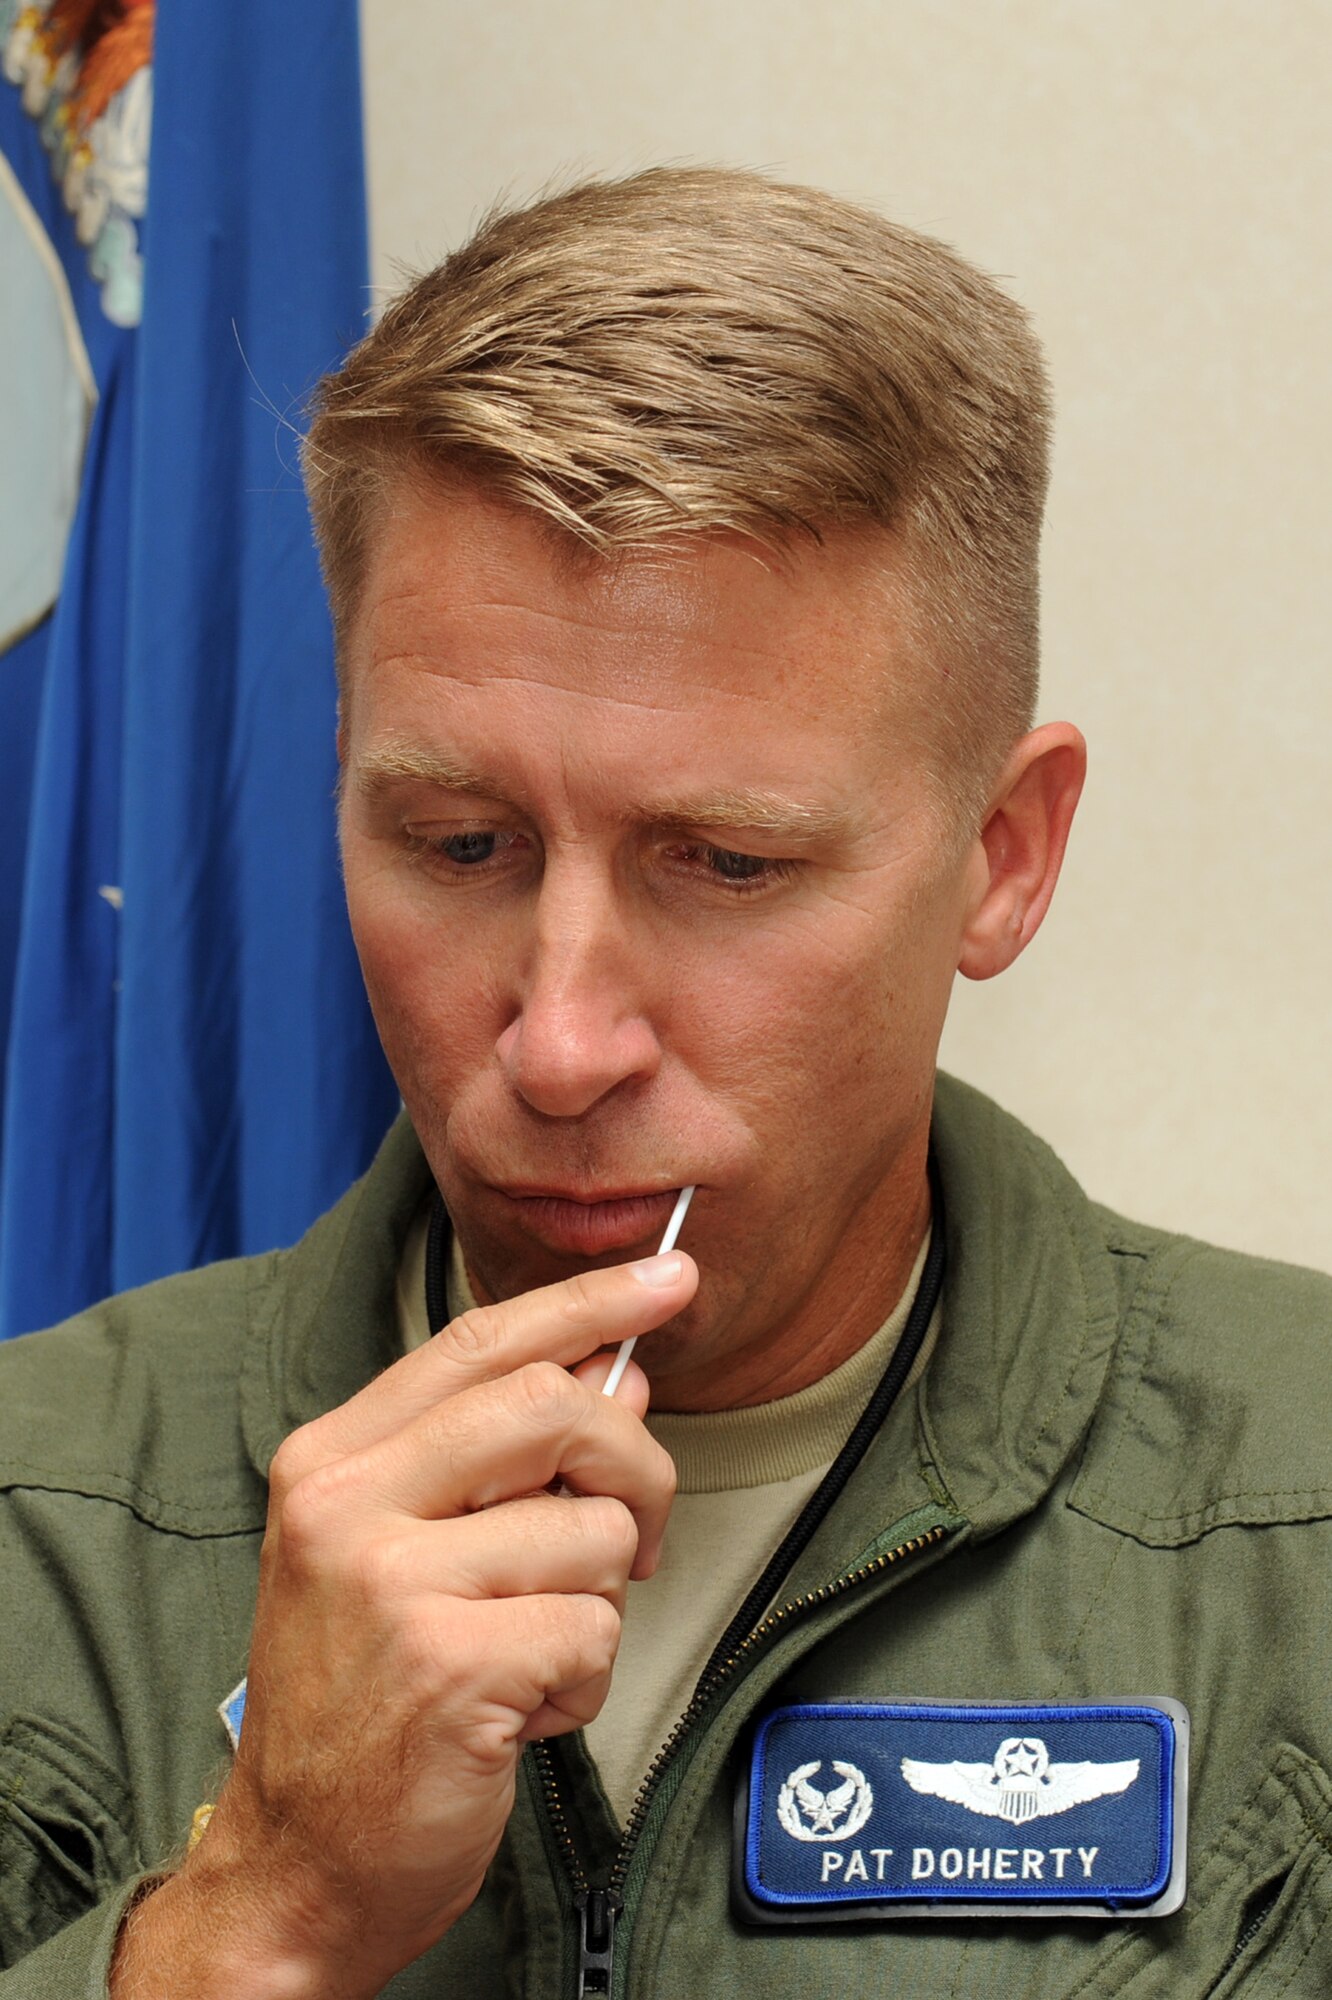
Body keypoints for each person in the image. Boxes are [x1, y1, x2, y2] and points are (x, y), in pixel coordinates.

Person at [1, 166, 1329, 1999]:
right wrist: (258, 1916)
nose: (557, 1048)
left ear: (1004, 857)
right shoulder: (38, 1516)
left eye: (724, 866)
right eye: (458, 844)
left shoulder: (1298, 1515)